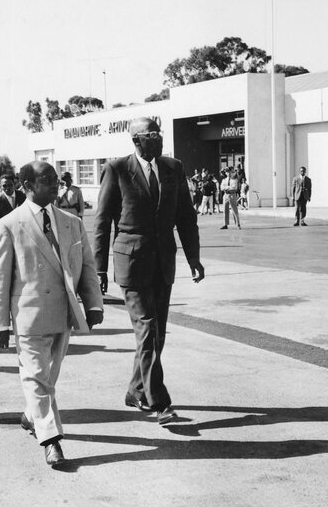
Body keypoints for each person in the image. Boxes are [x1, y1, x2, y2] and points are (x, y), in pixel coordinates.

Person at [0, 161, 103, 467]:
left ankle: (30, 415)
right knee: (37, 377)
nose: (55, 185)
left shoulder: (72, 222)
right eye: (46, 180)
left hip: (63, 314)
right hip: (29, 316)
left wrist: (93, 304)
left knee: (47, 377)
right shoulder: (8, 225)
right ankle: (51, 439)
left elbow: (87, 267)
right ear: (26, 185)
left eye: (56, 179)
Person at [94, 117, 204, 425]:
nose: (158, 139)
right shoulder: (116, 170)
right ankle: (160, 403)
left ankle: (135, 391)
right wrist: (98, 270)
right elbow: (102, 223)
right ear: (136, 141)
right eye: (151, 135)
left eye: (159, 133)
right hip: (131, 263)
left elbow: (186, 216)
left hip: (163, 262)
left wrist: (194, 258)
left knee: (156, 336)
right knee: (147, 329)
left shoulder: (173, 168)